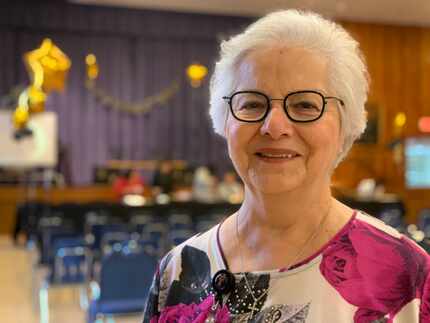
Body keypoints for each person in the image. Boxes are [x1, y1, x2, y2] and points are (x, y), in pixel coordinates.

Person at [143, 10, 430, 323]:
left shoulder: (409, 277)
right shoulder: (177, 270)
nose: (274, 126)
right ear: (224, 122)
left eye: (305, 105)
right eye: (252, 103)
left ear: (344, 126)